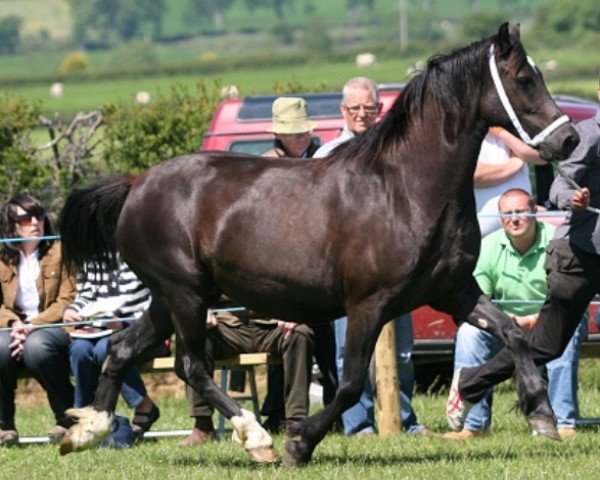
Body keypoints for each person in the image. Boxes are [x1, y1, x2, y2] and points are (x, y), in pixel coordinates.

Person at [447, 86, 600, 435]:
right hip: (579, 254)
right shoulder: (590, 134)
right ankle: (471, 384)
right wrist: (574, 197)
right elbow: (558, 188)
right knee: (546, 344)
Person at [314, 77, 430, 437]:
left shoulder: (399, 153)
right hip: (346, 275)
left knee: (404, 353)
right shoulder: (327, 155)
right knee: (349, 352)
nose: (362, 115)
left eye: (369, 108)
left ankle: (406, 420)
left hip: (395, 269)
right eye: (355, 109)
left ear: (380, 110)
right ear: (343, 111)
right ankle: (357, 425)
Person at [444, 189, 585, 440]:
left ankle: (563, 421)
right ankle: (474, 425)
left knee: (565, 331)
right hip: (505, 323)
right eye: (507, 214)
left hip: (554, 317)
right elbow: (480, 302)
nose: (514, 219)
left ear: (535, 213)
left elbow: (567, 298)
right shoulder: (486, 247)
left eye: (521, 212)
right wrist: (510, 322)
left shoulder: (559, 242)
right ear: (499, 219)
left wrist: (532, 321)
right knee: (469, 332)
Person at [259, 96, 338, 432]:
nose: (302, 138)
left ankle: (334, 415)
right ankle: (279, 414)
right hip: (278, 269)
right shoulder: (263, 168)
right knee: (288, 336)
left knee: (327, 347)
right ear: (279, 135)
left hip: (320, 266)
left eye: (304, 131)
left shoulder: (324, 160)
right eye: (294, 133)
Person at [179, 301, 314, 446]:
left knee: (301, 333)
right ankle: (203, 426)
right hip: (227, 327)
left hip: (274, 326)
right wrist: (202, 308)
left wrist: (294, 312)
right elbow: (197, 286)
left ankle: (296, 425)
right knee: (193, 333)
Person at [0, 194, 76, 445]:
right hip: (14, 325)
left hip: (53, 325)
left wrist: (33, 326)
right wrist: (15, 324)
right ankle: (4, 425)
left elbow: (68, 298)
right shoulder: (2, 257)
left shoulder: (60, 250)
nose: (35, 222)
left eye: (39, 216)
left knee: (37, 348)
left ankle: (66, 418)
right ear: (11, 224)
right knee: (0, 349)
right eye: (25, 218)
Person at [63, 258, 161, 436]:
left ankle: (144, 405)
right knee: (79, 350)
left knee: (106, 349)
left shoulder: (137, 254)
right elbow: (84, 296)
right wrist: (73, 312)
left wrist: (124, 323)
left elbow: (155, 300)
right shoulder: (92, 258)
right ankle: (84, 415)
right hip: (101, 328)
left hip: (141, 331)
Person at [475, 126, 546, 237]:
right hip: (482, 237)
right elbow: (473, 176)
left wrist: (500, 132)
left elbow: (542, 157)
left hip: (524, 235)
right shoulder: (460, 132)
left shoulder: (508, 130)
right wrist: (514, 164)